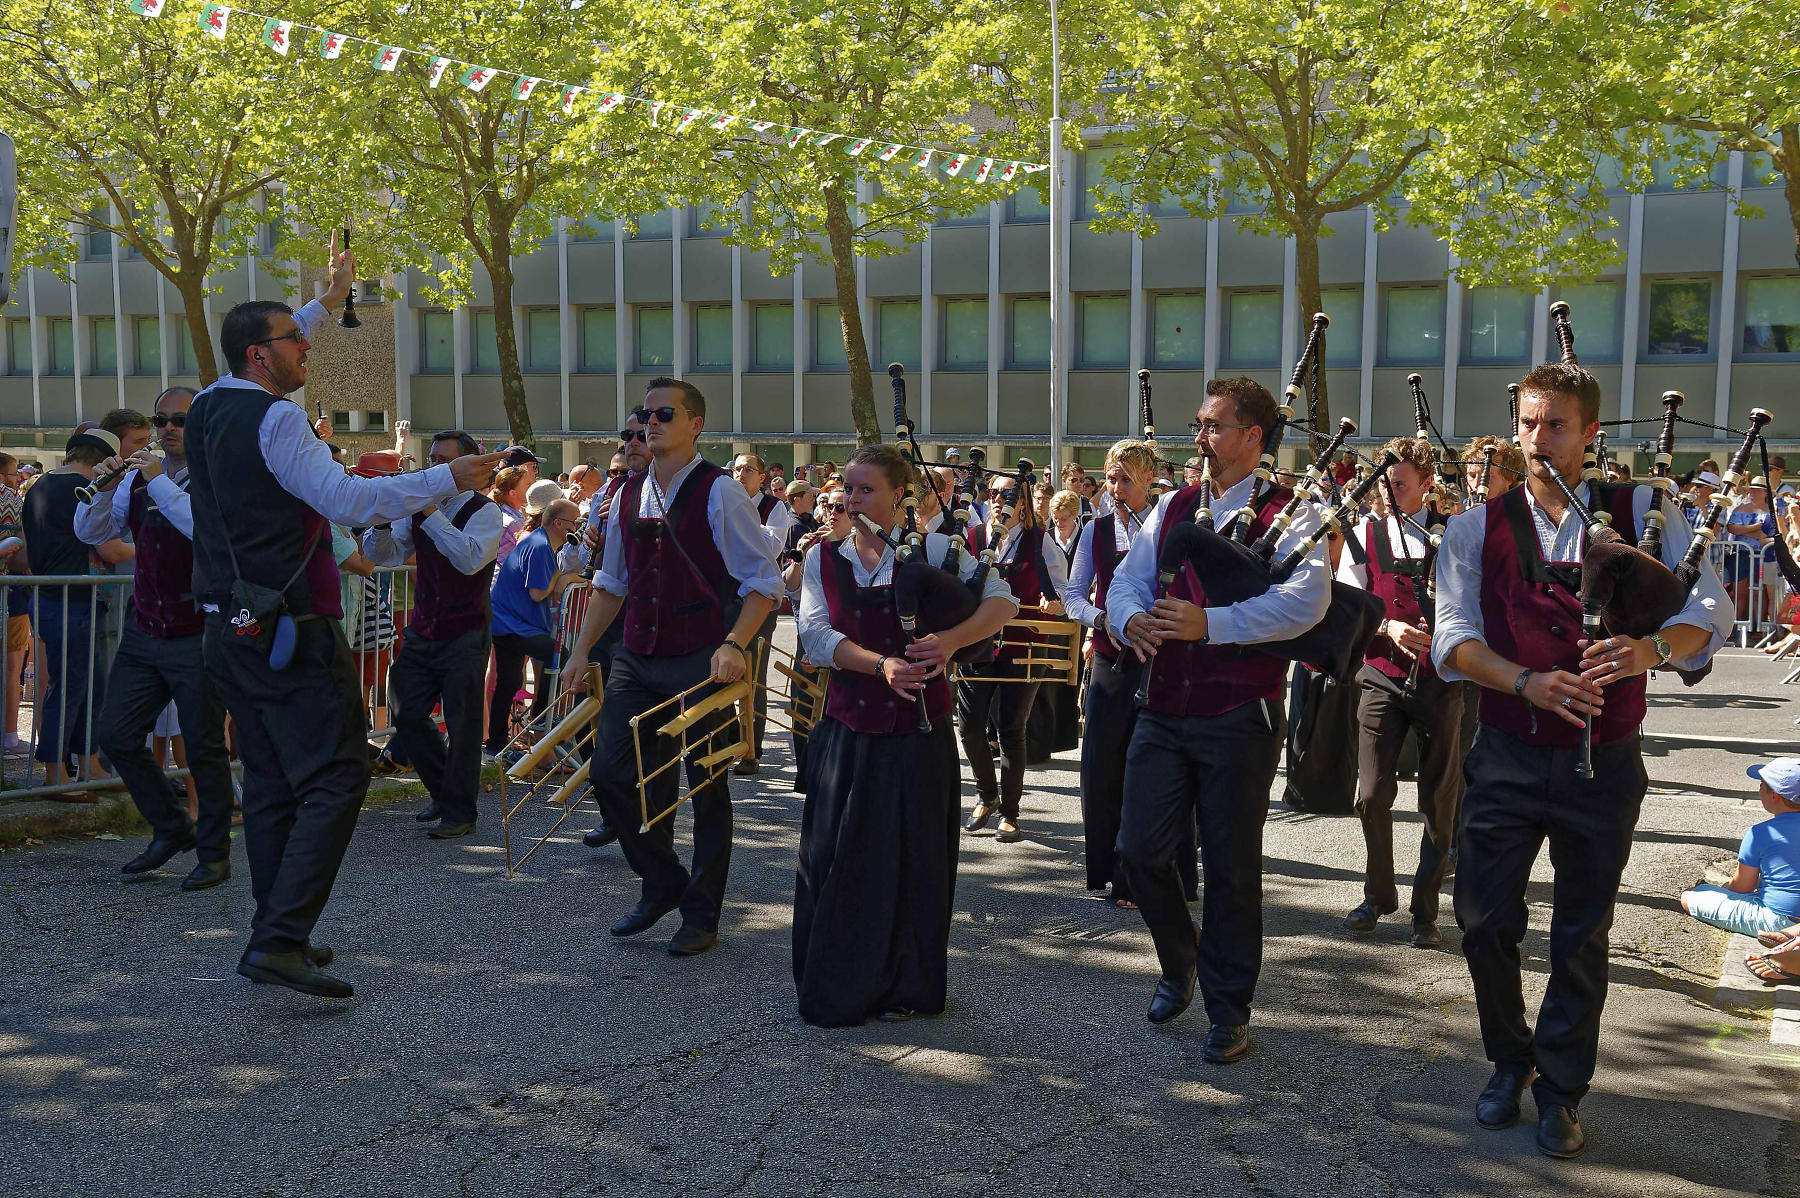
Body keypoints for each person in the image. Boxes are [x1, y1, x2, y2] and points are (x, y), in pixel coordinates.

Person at [185, 236, 501, 999]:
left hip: (227, 626)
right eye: (295, 343)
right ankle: (282, 935)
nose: (306, 353)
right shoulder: (279, 422)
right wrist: (443, 476)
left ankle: (275, 932)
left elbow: (269, 333)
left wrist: (326, 302)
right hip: (291, 627)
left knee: (267, 782)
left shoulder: (203, 406)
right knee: (338, 772)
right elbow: (351, 503)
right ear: (263, 357)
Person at [1433, 361, 1730, 1157]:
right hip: (1504, 748)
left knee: (1580, 933)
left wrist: (1650, 650)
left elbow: (1713, 614)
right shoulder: (1476, 526)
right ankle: (1509, 1059)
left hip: (1606, 759)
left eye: (1555, 425)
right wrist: (1525, 680)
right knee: (1482, 920)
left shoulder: (1644, 513)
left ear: (1590, 432)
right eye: (1528, 423)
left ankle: (1562, 1089)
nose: (1537, 440)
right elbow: (1452, 641)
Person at [1107, 377, 1331, 1062]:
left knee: (1232, 866)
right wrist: (1131, 620)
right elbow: (1126, 581)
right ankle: (1180, 962)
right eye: (1199, 424)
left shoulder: (1297, 512)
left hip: (1243, 714)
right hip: (1164, 707)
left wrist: (1214, 624)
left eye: (1212, 425)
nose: (1199, 439)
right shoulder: (1175, 504)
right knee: (1137, 852)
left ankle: (1229, 1009)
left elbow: (1308, 603)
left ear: (1253, 437)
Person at [792, 445, 1014, 1025]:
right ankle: (839, 981)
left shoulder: (939, 551)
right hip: (848, 731)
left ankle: (906, 986)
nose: (851, 499)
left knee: (912, 859)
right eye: (847, 487)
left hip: (920, 736)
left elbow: (1002, 602)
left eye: (865, 490)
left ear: (898, 495)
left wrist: (952, 641)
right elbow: (813, 636)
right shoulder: (824, 558)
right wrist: (880, 665)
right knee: (838, 855)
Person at [558, 379, 779, 956]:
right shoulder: (627, 492)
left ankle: (701, 914)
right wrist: (581, 652)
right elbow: (611, 584)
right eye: (642, 417)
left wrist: (734, 643)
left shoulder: (721, 491)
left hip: (703, 657)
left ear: (695, 424)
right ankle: (662, 882)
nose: (648, 425)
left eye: (662, 414)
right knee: (610, 775)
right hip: (636, 654)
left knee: (706, 788)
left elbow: (764, 583)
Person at [76, 386, 236, 890]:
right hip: (145, 630)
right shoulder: (137, 479)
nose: (168, 429)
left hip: (197, 633)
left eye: (181, 421)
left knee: (204, 750)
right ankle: (171, 827)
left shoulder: (219, 478)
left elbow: (202, 529)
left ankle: (213, 853)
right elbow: (92, 533)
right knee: (117, 736)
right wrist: (102, 491)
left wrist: (154, 481)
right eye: (160, 419)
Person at [1337, 438, 1464, 948]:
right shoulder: (1364, 533)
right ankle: (1378, 893)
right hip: (1381, 672)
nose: (1389, 490)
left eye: (1401, 483)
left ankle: (1425, 909)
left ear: (1427, 486)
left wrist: (1448, 633)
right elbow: (1347, 602)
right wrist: (1386, 626)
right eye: (1386, 481)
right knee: (1371, 793)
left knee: (1438, 798)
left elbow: (1475, 602)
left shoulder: (1453, 535)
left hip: (1440, 679)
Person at [1062, 440, 1196, 909]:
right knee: (1103, 764)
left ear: (1147, 481)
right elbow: (1074, 595)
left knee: (1159, 769)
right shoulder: (1095, 531)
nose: (1115, 488)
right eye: (1111, 478)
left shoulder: (1169, 526)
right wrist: (1101, 620)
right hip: (1109, 660)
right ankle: (1111, 872)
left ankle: (1165, 874)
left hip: (1161, 659)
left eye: (1125, 479)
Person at [362, 430, 504, 839]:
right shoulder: (419, 508)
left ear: (468, 466)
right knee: (406, 713)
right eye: (432, 458)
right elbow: (382, 557)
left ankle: (460, 811)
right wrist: (384, 522)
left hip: (466, 629)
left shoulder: (485, 511)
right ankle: (444, 793)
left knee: (462, 724)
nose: (435, 466)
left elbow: (469, 560)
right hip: (425, 628)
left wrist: (427, 511)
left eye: (444, 459)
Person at [958, 466, 1067, 844]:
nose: (997, 501)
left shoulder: (1040, 542)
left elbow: (1063, 589)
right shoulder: (970, 537)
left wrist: (1053, 602)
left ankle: (1011, 813)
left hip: (1024, 645)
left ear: (1022, 504)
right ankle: (986, 795)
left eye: (1006, 495)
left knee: (1011, 730)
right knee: (970, 728)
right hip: (975, 643)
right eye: (992, 494)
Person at [19, 426, 124, 798]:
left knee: (84, 684)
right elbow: (110, 550)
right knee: (72, 686)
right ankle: (56, 774)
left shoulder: (40, 485)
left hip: (52, 595)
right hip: (73, 597)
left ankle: (88, 766)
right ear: (101, 461)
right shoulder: (78, 490)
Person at [486, 497, 581, 759]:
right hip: (512, 624)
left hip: (509, 622)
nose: (579, 527)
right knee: (557, 654)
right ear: (560, 523)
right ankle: (540, 725)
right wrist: (564, 577)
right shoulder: (539, 545)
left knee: (510, 681)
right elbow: (539, 593)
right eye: (576, 523)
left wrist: (564, 576)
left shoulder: (540, 541)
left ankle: (496, 744)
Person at [1679, 758, 1800, 937]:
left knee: (1689, 897)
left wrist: (1719, 888)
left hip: (1779, 920)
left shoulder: (1760, 833)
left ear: (1774, 795)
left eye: (1761, 785)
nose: (1759, 790)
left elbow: (1742, 887)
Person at [729, 452, 791, 776]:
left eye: (748, 470)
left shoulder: (774, 507)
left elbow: (770, 549)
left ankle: (751, 749)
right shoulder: (726, 505)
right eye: (736, 468)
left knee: (754, 674)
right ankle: (727, 742)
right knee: (723, 671)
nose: (740, 474)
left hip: (762, 601)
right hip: (728, 598)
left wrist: (742, 527)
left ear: (762, 478)